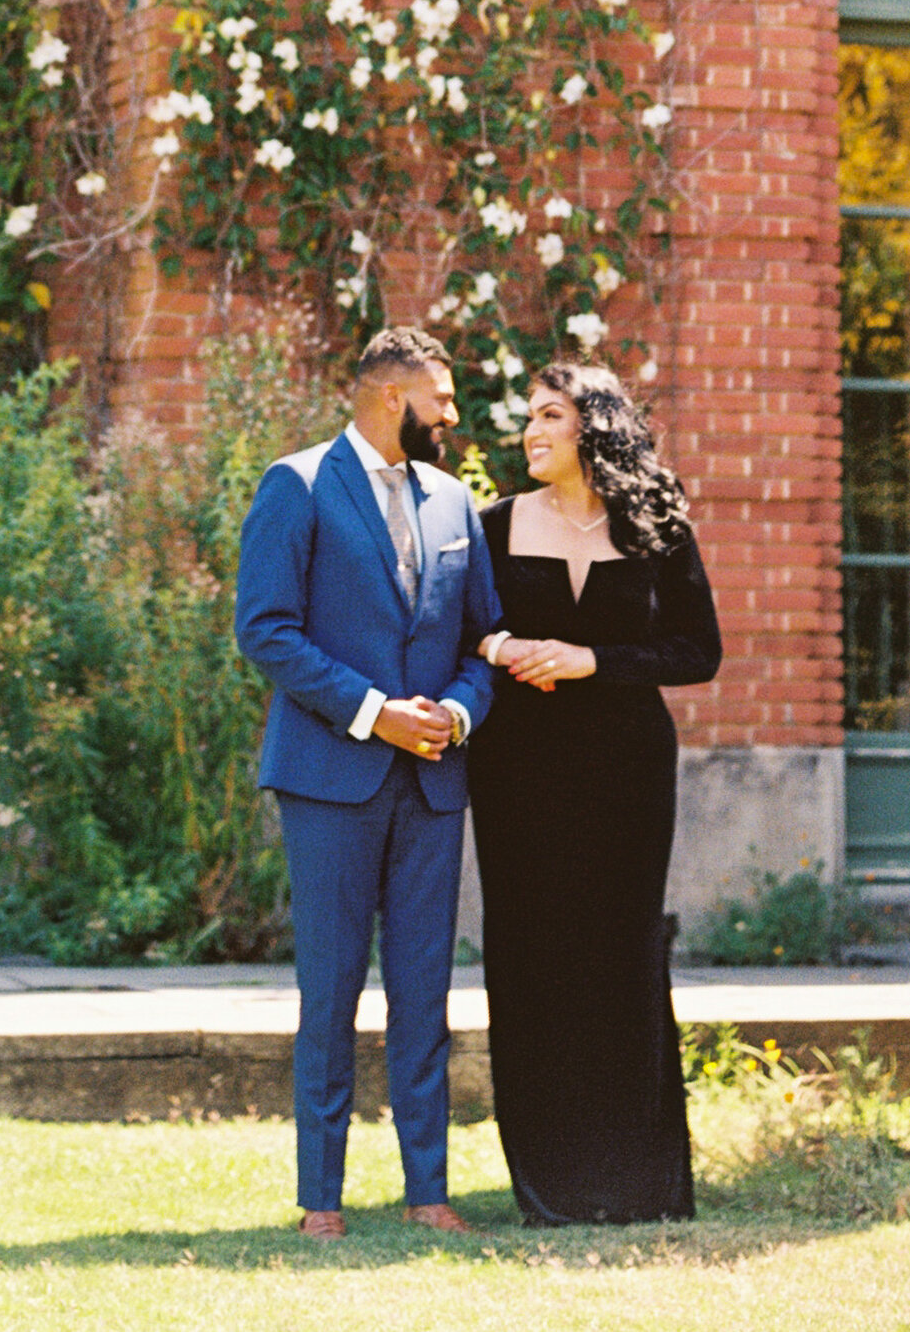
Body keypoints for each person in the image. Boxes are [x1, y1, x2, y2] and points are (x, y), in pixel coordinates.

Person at [234, 323, 505, 1241]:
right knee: (332, 989)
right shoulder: (297, 485)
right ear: (396, 398)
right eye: (445, 400)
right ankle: (322, 1200)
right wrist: (373, 710)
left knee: (424, 990)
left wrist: (458, 713)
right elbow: (266, 630)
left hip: (433, 783)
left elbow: (484, 642)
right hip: (329, 781)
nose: (455, 418)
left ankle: (427, 1192)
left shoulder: (454, 499)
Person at [466, 360, 722, 1224]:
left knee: (622, 954)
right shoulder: (492, 525)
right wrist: (507, 651)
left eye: (549, 415)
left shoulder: (656, 525)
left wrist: (592, 661)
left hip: (627, 772)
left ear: (594, 425)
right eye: (528, 418)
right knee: (533, 956)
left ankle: (637, 1177)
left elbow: (699, 651)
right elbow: (459, 630)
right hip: (520, 771)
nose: (531, 431)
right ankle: (552, 1182)